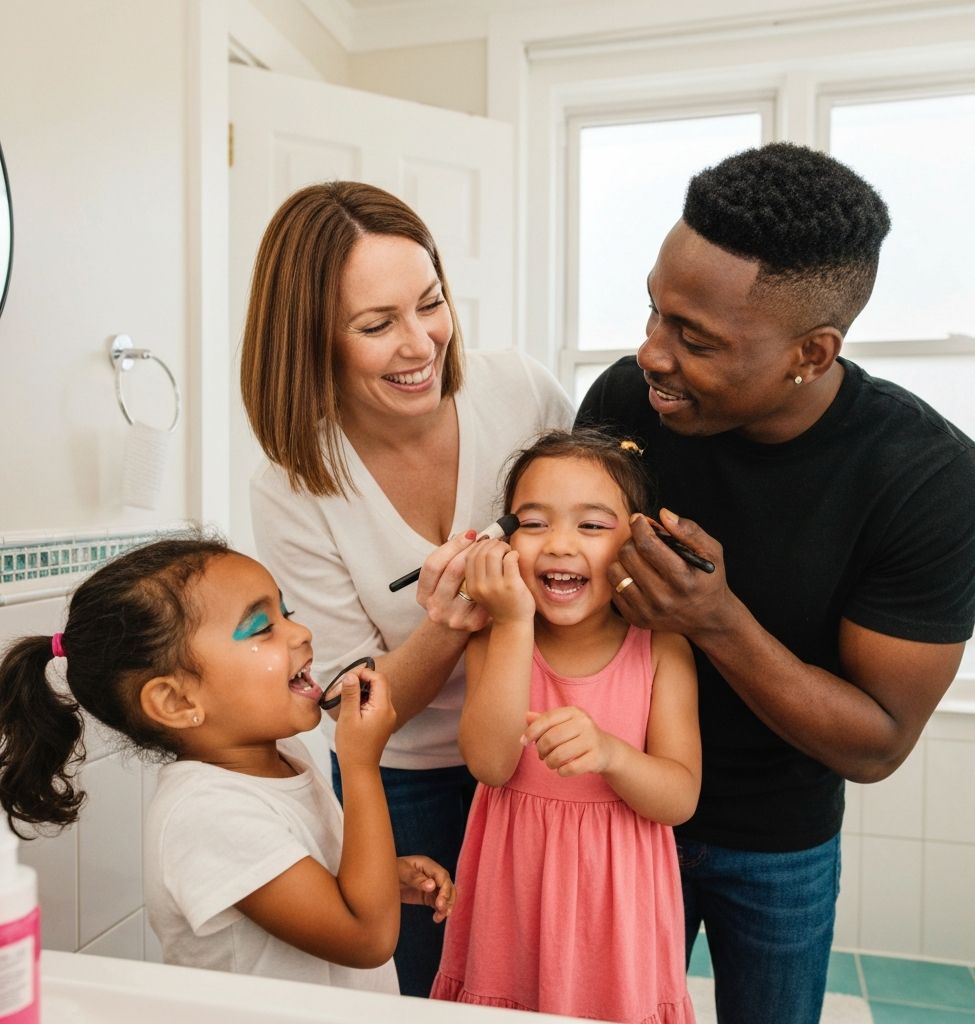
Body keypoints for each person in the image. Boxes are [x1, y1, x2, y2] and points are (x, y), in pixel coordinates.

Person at [576, 141, 975, 1024]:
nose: (650, 354)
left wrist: (717, 620)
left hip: (775, 842)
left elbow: (877, 743)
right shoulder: (625, 403)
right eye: (653, 311)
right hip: (618, 807)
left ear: (811, 351)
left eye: (693, 338)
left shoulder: (927, 477)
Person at [241, 181, 574, 996]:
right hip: (410, 783)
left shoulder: (519, 391)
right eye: (377, 325)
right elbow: (353, 698)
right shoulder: (294, 483)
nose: (421, 342)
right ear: (312, 341)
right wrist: (450, 625)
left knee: (553, 987)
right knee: (430, 996)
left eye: (429, 303)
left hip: (549, 750)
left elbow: (603, 525)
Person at [0, 535, 455, 991]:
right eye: (262, 628)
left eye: (287, 612)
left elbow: (318, 895)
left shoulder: (282, 759)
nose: (301, 632)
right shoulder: (205, 815)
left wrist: (377, 879)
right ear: (177, 701)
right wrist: (360, 765)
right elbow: (366, 938)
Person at [431, 428, 702, 1024]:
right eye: (533, 523)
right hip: (514, 906)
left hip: (618, 914)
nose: (559, 544)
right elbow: (489, 763)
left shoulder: (661, 648)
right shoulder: (496, 636)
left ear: (637, 541)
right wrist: (513, 620)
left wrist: (611, 753)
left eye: (591, 525)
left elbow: (680, 798)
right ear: (502, 540)